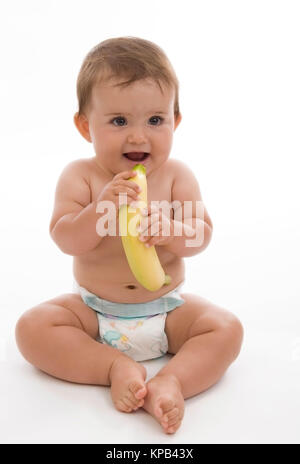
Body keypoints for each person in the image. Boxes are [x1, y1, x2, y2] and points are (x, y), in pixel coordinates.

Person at [15, 37, 243, 434]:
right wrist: (98, 208)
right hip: (93, 312)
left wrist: (172, 230)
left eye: (155, 121)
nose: (138, 137)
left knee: (226, 329)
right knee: (32, 328)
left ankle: (172, 380)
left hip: (166, 308)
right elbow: (65, 238)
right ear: (86, 126)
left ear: (176, 121)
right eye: (119, 121)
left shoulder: (177, 177)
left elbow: (201, 236)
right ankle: (114, 367)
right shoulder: (81, 177)